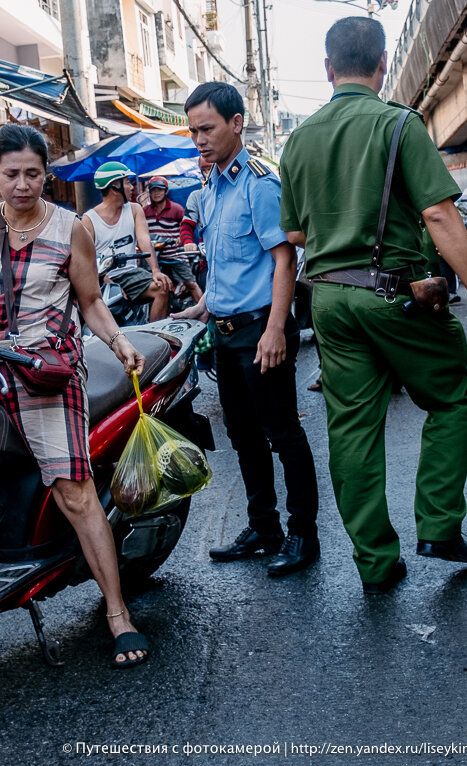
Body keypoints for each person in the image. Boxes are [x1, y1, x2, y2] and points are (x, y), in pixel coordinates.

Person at [277, 16, 467, 595]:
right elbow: (438, 213)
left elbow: (296, 234)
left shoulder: (298, 140)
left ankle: (377, 563)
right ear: (382, 66)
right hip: (390, 293)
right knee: (452, 397)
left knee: (351, 429)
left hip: (326, 297)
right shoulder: (398, 123)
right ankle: (438, 525)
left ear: (328, 69)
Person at [0, 123, 152, 669]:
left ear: (46, 174)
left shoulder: (71, 228)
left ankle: (117, 613)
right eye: (11, 174)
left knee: (75, 491)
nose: (22, 185)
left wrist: (117, 343)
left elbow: (90, 301)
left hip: (47, 369)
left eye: (33, 173)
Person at [172, 82, 321, 577]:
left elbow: (285, 259)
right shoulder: (211, 186)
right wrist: (203, 309)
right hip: (225, 330)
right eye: (194, 130)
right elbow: (224, 267)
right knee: (242, 435)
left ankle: (303, 535)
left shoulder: (258, 183)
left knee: (282, 433)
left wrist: (277, 329)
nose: (199, 139)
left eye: (208, 128)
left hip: (261, 330)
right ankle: (265, 526)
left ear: (236, 124)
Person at [80, 161, 173, 322]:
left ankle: (154, 338)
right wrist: (101, 279)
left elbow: (144, 241)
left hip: (130, 274)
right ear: (115, 186)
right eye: (127, 182)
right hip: (102, 278)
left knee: (162, 288)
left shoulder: (135, 209)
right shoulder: (89, 219)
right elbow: (84, 259)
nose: (131, 187)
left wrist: (155, 270)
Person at [143, 176, 203, 305]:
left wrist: (180, 239)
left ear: (166, 191)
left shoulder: (176, 209)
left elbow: (187, 227)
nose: (156, 193)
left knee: (191, 283)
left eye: (159, 190)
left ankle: (203, 310)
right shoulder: (145, 211)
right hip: (154, 257)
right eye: (153, 190)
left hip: (174, 254)